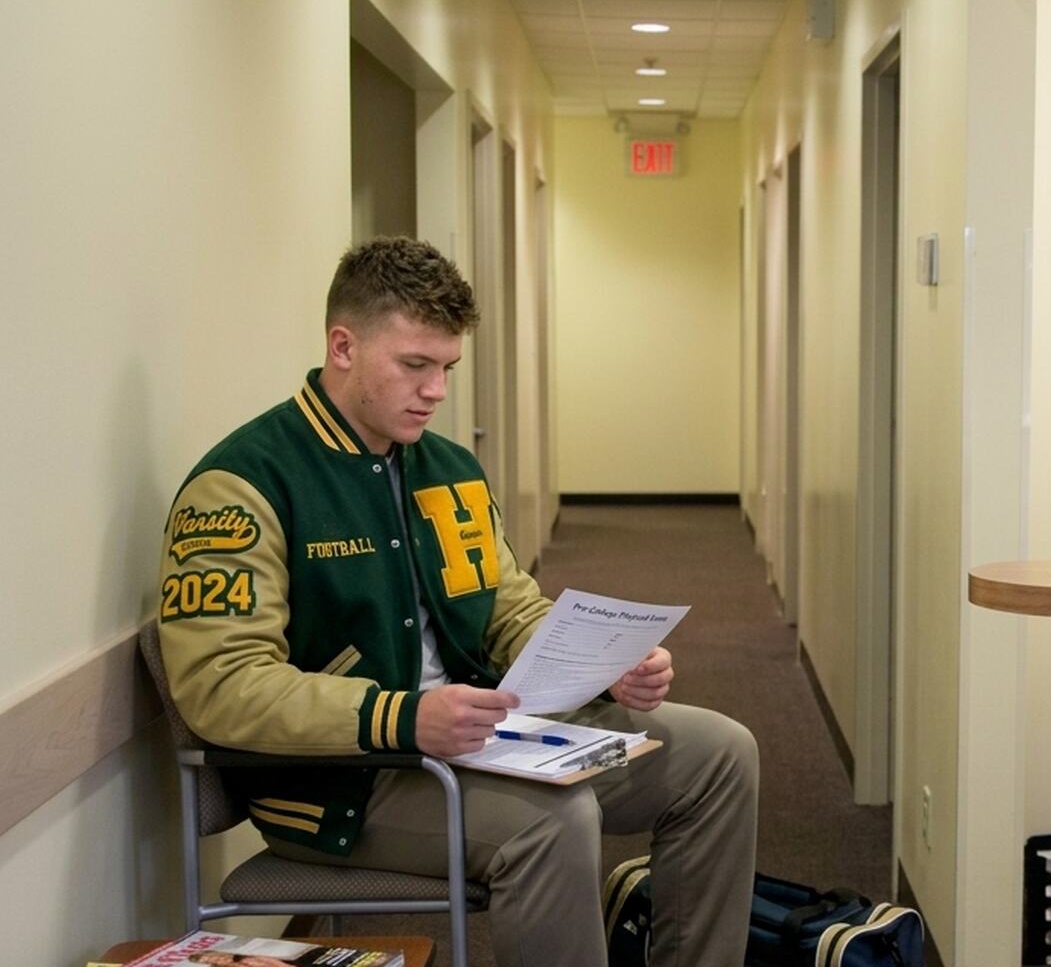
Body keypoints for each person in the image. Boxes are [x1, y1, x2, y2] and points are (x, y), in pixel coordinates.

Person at [157, 236, 759, 966]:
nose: (437, 391)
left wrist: (607, 665)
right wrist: (402, 716)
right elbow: (219, 688)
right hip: (346, 783)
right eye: (415, 365)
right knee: (552, 822)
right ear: (342, 347)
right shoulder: (244, 484)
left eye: (447, 368)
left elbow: (507, 607)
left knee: (722, 753)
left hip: (482, 734)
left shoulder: (448, 468)